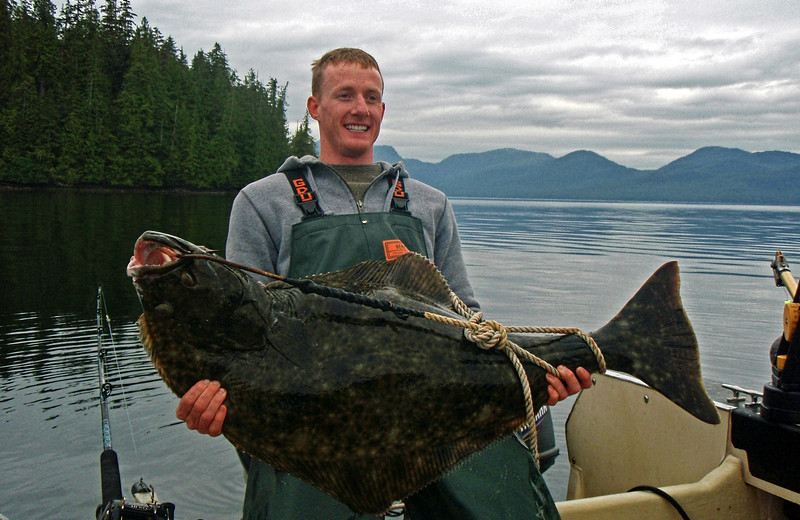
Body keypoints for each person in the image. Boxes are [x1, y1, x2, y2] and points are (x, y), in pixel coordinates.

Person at [176, 48, 593, 520]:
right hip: (313, 428)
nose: (360, 108)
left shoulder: (429, 204)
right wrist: (216, 400)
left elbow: (469, 323)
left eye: (372, 97)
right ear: (315, 107)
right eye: (345, 95)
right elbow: (241, 330)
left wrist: (536, 376)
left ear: (382, 109)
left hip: (433, 419)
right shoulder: (262, 202)